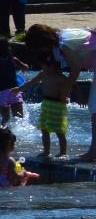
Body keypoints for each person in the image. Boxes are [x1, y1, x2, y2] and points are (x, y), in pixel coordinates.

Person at [24, 26, 80, 161]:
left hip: (57, 105)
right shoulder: (45, 74)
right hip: (46, 103)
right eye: (42, 66)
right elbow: (32, 81)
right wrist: (19, 89)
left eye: (46, 66)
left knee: (59, 131)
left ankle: (63, 152)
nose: (44, 68)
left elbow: (74, 85)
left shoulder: (60, 77)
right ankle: (46, 151)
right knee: (44, 129)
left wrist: (78, 97)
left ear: (54, 65)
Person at [0, 35, 26, 126]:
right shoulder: (13, 59)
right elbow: (25, 67)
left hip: (1, 92)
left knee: (5, 119)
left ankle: (3, 136)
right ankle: (21, 138)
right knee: (19, 119)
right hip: (15, 91)